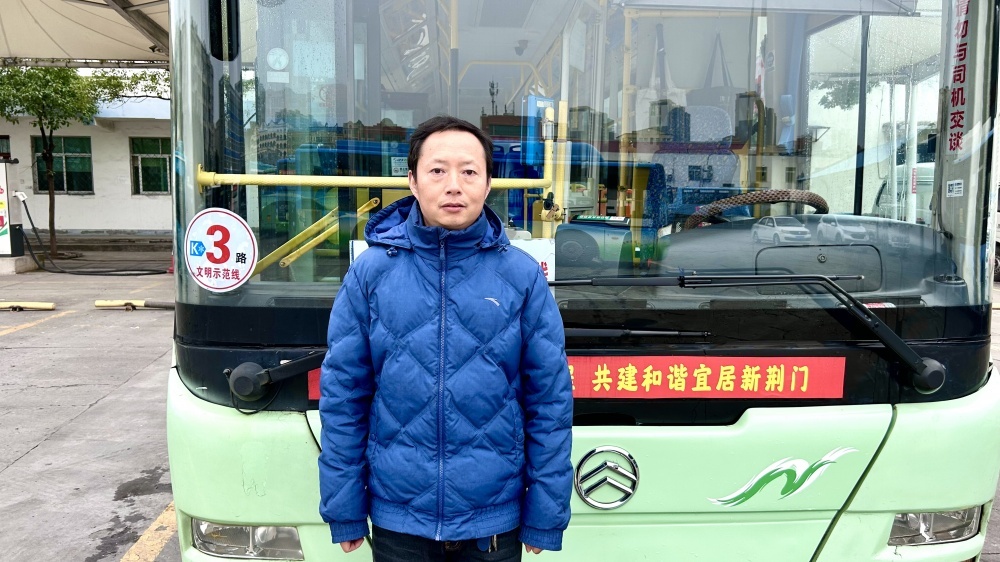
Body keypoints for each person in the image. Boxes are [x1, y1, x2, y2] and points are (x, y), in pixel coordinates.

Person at [318, 115, 573, 561]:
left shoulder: (522, 277)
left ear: (488, 183)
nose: (454, 185)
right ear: (412, 181)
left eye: (469, 171)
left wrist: (545, 515)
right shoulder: (370, 274)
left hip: (493, 523)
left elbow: (550, 402)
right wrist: (345, 508)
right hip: (399, 521)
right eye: (437, 170)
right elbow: (344, 396)